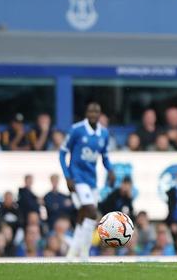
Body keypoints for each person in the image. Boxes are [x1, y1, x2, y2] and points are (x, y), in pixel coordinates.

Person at [60, 101, 115, 259]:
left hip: (92, 179)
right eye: (90, 111)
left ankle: (76, 254)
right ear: (86, 113)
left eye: (96, 112)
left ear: (99, 114)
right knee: (91, 211)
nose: (93, 115)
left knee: (84, 215)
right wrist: (67, 176)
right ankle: (81, 253)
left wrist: (110, 170)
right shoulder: (76, 130)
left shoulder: (103, 133)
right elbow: (62, 153)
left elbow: (104, 157)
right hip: (77, 177)